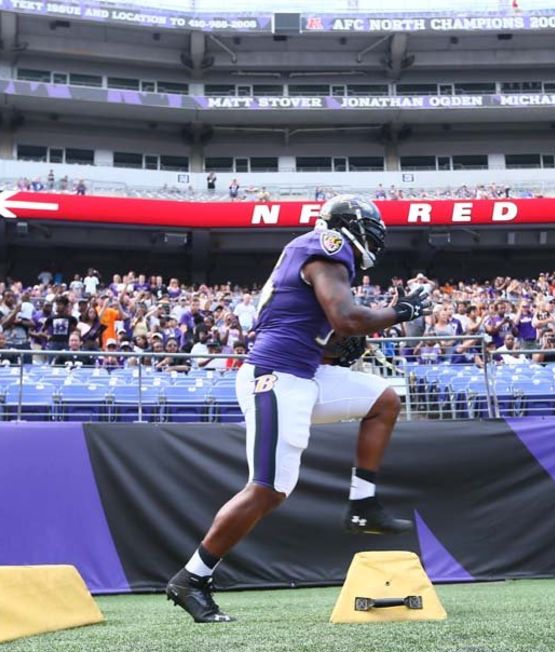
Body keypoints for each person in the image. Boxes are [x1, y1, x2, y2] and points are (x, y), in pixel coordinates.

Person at [165, 195, 433, 624]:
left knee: (384, 399)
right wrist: (401, 310)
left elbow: (315, 329)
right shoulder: (326, 244)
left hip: (301, 373)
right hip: (274, 376)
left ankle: (362, 503)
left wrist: (335, 351)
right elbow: (346, 317)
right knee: (268, 489)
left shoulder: (318, 256)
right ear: (352, 226)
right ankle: (192, 578)